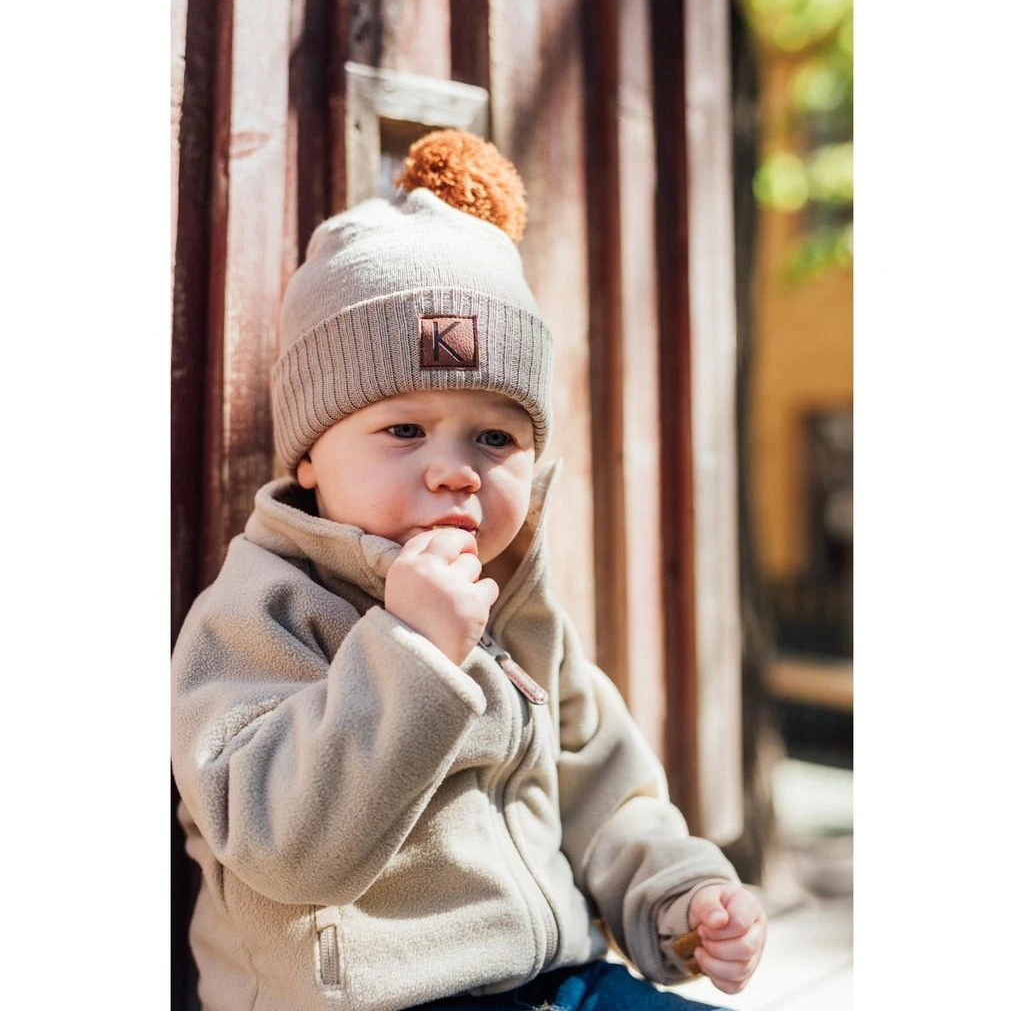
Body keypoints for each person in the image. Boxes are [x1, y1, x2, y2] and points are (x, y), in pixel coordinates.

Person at [171, 130, 766, 1011]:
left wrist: (680, 895)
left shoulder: (516, 605)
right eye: (403, 430)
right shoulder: (262, 611)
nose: (454, 470)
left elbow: (604, 791)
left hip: (555, 979)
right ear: (309, 455)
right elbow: (278, 846)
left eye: (494, 436)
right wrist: (411, 649)